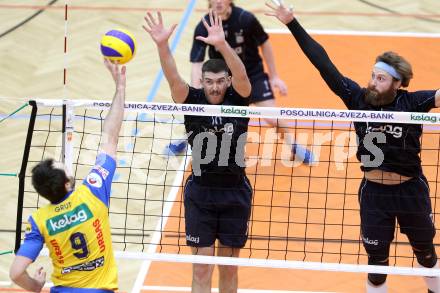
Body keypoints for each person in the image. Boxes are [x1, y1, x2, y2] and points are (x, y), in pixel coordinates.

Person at [266, 2, 440, 293]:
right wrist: (292, 23)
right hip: (374, 195)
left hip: (411, 191)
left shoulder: (412, 102)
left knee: (426, 254)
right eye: (373, 75)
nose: (372, 82)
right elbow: (324, 64)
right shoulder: (357, 98)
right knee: (376, 264)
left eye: (381, 78)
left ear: (397, 83)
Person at [143, 10, 252, 293]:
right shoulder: (191, 101)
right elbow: (173, 78)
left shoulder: (238, 99)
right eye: (209, 82)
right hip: (201, 193)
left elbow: (241, 73)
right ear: (202, 82)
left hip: (234, 192)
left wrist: (222, 45)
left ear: (226, 82)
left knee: (229, 267)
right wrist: (162, 46)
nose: (215, 87)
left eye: (219, 81)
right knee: (202, 268)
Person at [9, 59, 126, 292]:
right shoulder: (92, 191)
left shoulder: (39, 221)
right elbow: (110, 138)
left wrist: (34, 286)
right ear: (67, 182)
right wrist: (120, 88)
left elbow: (15, 273)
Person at [187, 0, 315, 165]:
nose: (218, 1)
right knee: (212, 120)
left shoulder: (245, 19)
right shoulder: (204, 26)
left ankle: (294, 146)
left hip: (253, 75)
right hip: (224, 81)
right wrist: (197, 92)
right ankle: (185, 140)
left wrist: (274, 76)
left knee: (273, 118)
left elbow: (265, 43)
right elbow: (196, 63)